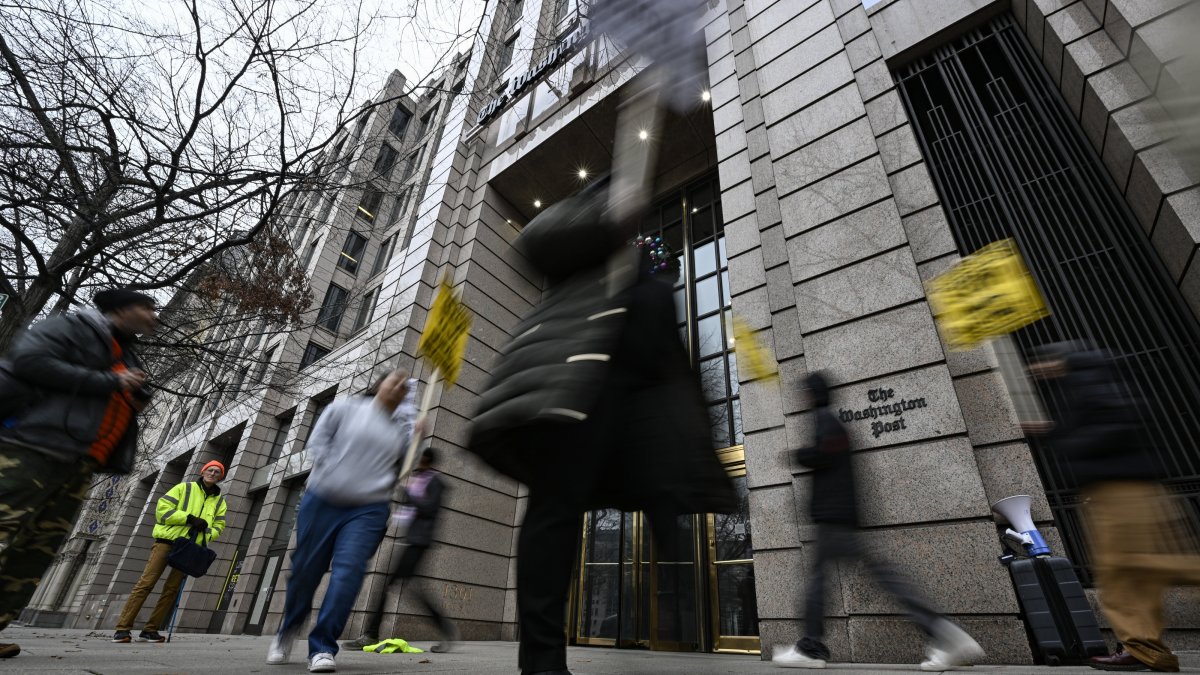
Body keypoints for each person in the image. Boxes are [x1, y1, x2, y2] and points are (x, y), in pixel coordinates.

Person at [468, 178, 737, 675]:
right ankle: (543, 662)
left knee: (650, 506)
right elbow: (535, 242)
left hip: (627, 410)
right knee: (555, 511)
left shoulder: (654, 275)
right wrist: (604, 217)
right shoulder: (587, 232)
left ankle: (674, 615)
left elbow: (667, 352)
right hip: (572, 381)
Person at [772, 371, 984, 671]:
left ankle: (811, 647)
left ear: (812, 394)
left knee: (836, 580)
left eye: (804, 391)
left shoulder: (827, 421)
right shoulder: (829, 420)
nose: (801, 397)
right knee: (865, 577)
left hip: (834, 519)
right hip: (838, 517)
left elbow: (823, 454)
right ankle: (943, 633)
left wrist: (799, 455)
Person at [1023, 342, 1200, 673]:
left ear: (1057, 360)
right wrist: (1051, 432)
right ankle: (1146, 649)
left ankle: (1144, 648)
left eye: (1039, 362)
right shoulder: (1088, 380)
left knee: (1139, 567)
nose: (1036, 369)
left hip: (1121, 491)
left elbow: (1115, 424)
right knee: (1128, 575)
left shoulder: (1089, 380)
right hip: (1118, 489)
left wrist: (1063, 440)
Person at [0, 288, 157, 660]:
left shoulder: (126, 351)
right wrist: (110, 382)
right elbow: (28, 361)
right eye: (146, 308)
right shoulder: (72, 327)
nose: (153, 316)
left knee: (37, 550)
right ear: (120, 309)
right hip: (32, 449)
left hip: (78, 462)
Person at [267, 370, 419, 674]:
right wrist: (337, 474)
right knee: (305, 573)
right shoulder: (343, 408)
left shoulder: (401, 430)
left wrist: (417, 436)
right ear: (379, 384)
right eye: (395, 381)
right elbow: (318, 443)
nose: (400, 387)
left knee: (349, 572)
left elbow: (401, 470)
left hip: (368, 509)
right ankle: (289, 627)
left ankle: (322, 646)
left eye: (405, 386)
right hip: (323, 500)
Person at [342, 447, 458, 652]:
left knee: (389, 585)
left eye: (421, 462)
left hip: (419, 542)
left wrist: (410, 496)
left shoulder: (436, 482)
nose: (417, 466)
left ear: (427, 462)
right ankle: (445, 628)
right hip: (413, 540)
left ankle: (371, 634)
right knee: (408, 588)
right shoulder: (421, 480)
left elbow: (430, 508)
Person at [112, 460, 228, 643]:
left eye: (217, 472)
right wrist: (188, 518)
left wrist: (208, 534)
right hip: (167, 542)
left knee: (171, 590)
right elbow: (162, 510)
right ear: (203, 471)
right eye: (210, 470)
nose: (213, 474)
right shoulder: (184, 488)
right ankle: (122, 628)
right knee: (146, 583)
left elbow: (220, 524)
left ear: (220, 477)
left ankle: (150, 630)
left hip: (189, 547)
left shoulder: (219, 501)